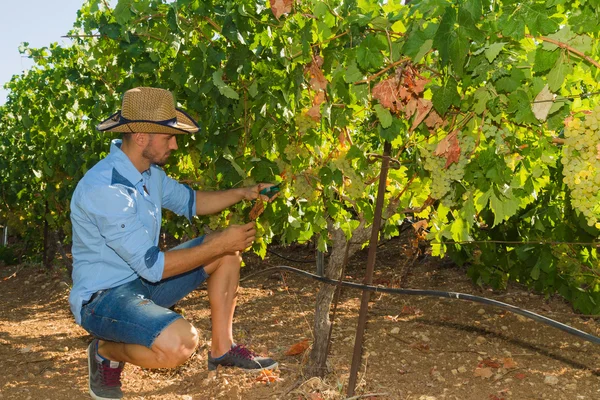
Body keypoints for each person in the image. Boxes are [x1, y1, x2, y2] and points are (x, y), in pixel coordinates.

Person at [69, 87, 278, 400]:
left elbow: (192, 201)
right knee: (180, 344)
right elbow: (154, 267)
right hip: (103, 300)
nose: (175, 144)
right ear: (141, 137)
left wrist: (244, 192)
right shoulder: (106, 189)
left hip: (141, 282)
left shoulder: (149, 174)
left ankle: (223, 349)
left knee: (228, 254)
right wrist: (219, 242)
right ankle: (105, 350)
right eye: (169, 136)